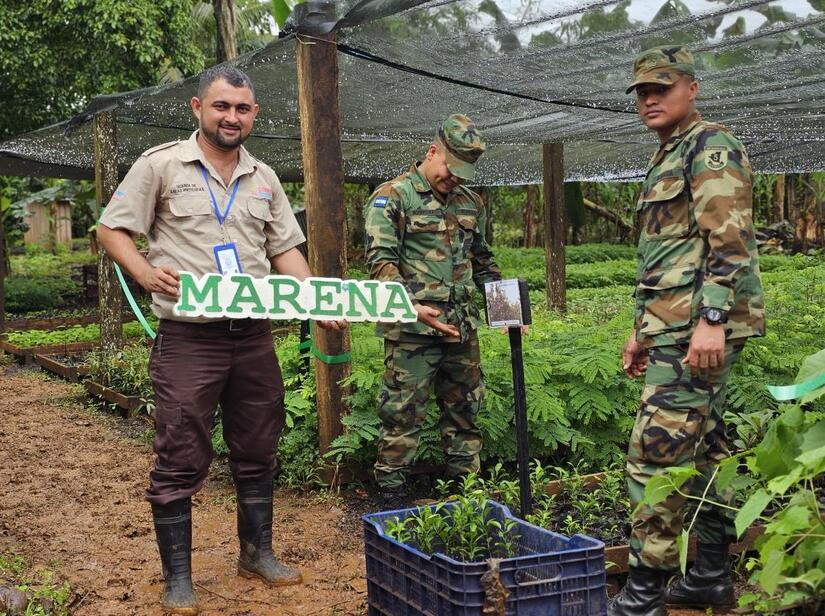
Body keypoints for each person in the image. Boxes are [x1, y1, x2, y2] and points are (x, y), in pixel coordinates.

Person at [97, 65, 344, 615]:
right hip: (190, 337)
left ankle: (257, 554)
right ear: (198, 108)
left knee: (258, 444)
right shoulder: (161, 164)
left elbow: (284, 250)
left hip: (253, 335)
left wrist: (317, 301)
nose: (231, 117)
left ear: (254, 114)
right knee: (180, 451)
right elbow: (111, 229)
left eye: (242, 108)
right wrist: (143, 272)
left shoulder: (264, 178)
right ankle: (178, 578)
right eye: (221, 106)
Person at [612, 46, 765, 616]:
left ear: (692, 88)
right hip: (673, 327)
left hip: (699, 329)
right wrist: (641, 329)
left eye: (662, 87)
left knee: (655, 452)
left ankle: (643, 595)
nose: (650, 99)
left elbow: (730, 240)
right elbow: (663, 255)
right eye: (642, 92)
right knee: (706, 449)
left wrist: (712, 320)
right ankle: (710, 577)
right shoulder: (668, 154)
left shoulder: (710, 146)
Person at [364, 114, 504, 505]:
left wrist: (506, 309)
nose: (454, 178)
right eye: (450, 168)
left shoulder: (470, 202)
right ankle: (391, 495)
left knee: (465, 410)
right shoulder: (393, 196)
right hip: (412, 332)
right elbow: (380, 262)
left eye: (463, 173)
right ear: (432, 152)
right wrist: (412, 306)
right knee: (402, 413)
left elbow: (483, 261)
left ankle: (466, 494)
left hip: (461, 328)